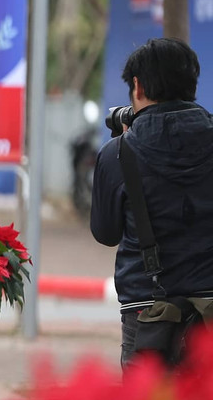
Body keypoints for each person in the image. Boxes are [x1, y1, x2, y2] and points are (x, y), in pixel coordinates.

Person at [90, 37, 213, 369]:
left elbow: (105, 233)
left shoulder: (117, 154)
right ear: (191, 84)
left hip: (147, 316)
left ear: (138, 86)